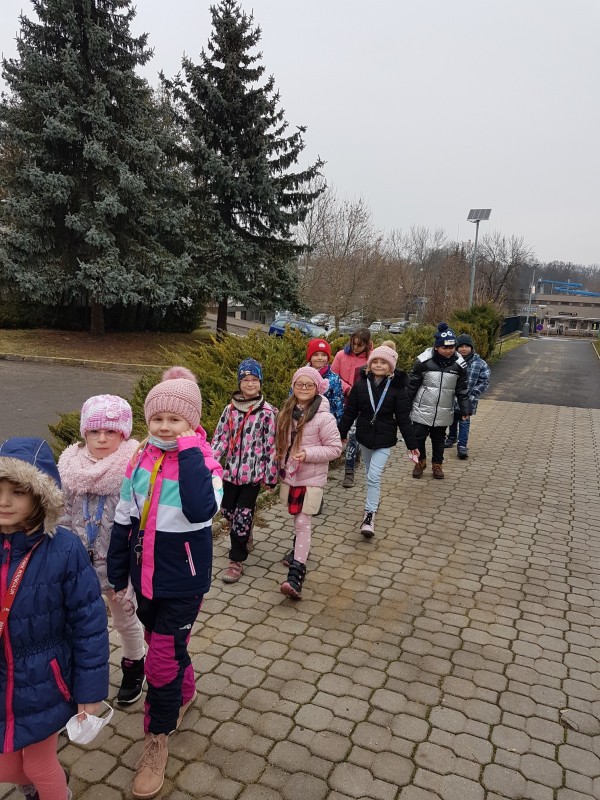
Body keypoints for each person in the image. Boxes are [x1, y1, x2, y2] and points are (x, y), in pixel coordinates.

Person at [107, 367, 223, 800]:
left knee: (159, 663)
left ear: (192, 422)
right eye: (157, 419)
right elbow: (124, 516)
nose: (164, 427)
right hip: (145, 577)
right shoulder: (140, 459)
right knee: (164, 646)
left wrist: (189, 450)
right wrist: (117, 573)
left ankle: (156, 739)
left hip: (184, 581)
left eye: (175, 419)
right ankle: (184, 691)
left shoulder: (206, 462)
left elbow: (200, 510)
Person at [0, 437, 109, 800]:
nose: (4, 501)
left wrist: (90, 690)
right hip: (2, 679)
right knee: (6, 766)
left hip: (44, 681)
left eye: (17, 492)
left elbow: (89, 625)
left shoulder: (64, 549)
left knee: (38, 763)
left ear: (40, 496)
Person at [57, 395, 146, 706]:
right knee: (77, 623)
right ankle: (75, 676)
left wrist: (134, 570)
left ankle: (134, 663)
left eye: (110, 432)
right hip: (79, 564)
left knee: (124, 619)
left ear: (123, 433)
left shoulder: (133, 468)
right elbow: (64, 515)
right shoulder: (71, 468)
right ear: (85, 432)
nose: (102, 438)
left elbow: (139, 520)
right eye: (95, 431)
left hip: (118, 565)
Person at [338, 342, 419, 537]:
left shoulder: (398, 389)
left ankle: (369, 515)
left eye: (384, 362)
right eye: (375, 362)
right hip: (364, 436)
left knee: (374, 476)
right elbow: (350, 413)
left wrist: (412, 445)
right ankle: (374, 500)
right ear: (369, 364)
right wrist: (341, 434)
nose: (379, 365)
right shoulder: (360, 385)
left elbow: (403, 419)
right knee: (370, 475)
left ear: (391, 367)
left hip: (385, 438)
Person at [276, 366, 342, 599]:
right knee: (297, 520)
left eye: (309, 385)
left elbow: (335, 449)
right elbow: (280, 443)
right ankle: (299, 550)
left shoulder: (324, 417)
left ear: (317, 388)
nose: (303, 388)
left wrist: (309, 453)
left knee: (303, 522)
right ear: (293, 386)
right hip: (290, 476)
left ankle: (295, 576)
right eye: (299, 384)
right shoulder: (285, 412)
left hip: (312, 478)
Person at [211, 358, 278, 583]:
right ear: (239, 383)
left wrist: (270, 475)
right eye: (245, 379)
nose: (250, 383)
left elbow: (270, 446)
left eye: (254, 379)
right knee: (227, 511)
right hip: (230, 473)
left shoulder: (267, 412)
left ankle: (236, 561)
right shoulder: (229, 409)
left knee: (242, 516)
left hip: (253, 476)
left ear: (260, 383)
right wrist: (210, 463)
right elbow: (220, 438)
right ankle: (245, 534)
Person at [406, 322, 471, 480]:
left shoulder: (459, 366)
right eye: (445, 347)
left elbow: (462, 389)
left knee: (439, 440)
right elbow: (412, 386)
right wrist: (404, 406)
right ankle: (420, 462)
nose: (449, 351)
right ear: (436, 347)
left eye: (451, 347)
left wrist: (465, 409)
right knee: (418, 437)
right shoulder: (423, 362)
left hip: (444, 409)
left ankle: (437, 464)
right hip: (422, 408)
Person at [331, 328, 372, 487]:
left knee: (353, 436)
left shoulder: (371, 358)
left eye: (359, 345)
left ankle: (349, 471)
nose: (355, 347)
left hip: (361, 402)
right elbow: (333, 376)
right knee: (346, 434)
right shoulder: (341, 355)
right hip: (343, 400)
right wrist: (346, 388)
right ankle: (354, 454)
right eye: (353, 343)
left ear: (367, 344)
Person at [444, 334, 491, 459]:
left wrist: (474, 394)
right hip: (451, 397)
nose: (464, 349)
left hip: (468, 398)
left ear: (471, 347)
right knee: (452, 418)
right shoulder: (451, 361)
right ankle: (452, 437)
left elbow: (484, 381)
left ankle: (462, 445)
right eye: (461, 346)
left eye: (467, 346)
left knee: (464, 421)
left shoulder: (479, 363)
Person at [305, 339, 344, 423]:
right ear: (310, 357)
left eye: (324, 355)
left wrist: (336, 424)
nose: (320, 358)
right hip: (304, 420)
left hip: (325, 422)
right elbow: (292, 397)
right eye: (315, 355)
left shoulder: (334, 379)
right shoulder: (302, 376)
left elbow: (337, 405)